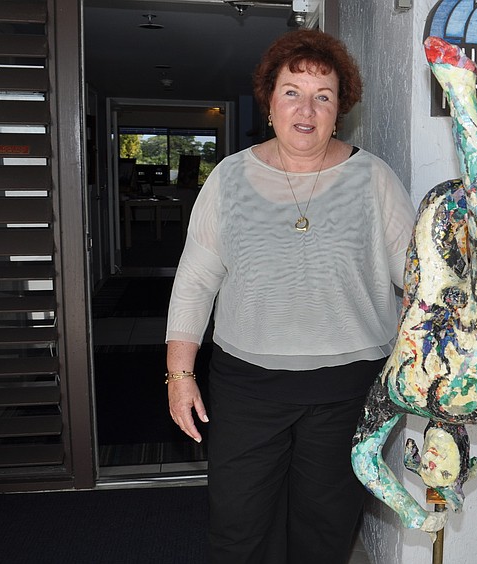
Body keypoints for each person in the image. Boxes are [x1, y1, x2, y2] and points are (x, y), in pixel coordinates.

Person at [165, 29, 415, 564]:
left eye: (323, 96)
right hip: (246, 387)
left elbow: (418, 280)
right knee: (239, 525)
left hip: (348, 388)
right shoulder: (229, 180)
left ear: (340, 107)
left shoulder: (374, 179)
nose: (307, 108)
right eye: (292, 92)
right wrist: (180, 375)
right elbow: (195, 281)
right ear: (270, 99)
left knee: (325, 528)